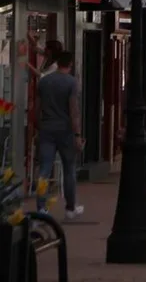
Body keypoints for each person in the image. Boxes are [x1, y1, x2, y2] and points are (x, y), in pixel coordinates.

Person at [36, 51, 84, 219]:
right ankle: (70, 208)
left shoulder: (44, 82)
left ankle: (41, 207)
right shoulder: (71, 83)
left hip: (46, 128)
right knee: (69, 169)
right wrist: (77, 134)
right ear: (70, 64)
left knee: (44, 169)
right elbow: (74, 111)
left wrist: (37, 127)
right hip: (65, 130)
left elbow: (37, 108)